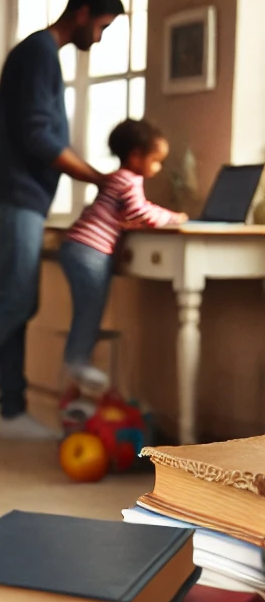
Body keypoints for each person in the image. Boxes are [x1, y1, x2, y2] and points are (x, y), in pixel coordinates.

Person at [0, 0, 125, 439]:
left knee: (18, 300)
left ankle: (10, 411)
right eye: (102, 26)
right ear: (82, 13)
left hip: (20, 193)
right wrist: (97, 177)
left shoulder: (40, 55)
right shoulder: (38, 54)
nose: (100, 38)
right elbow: (39, 136)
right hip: (14, 192)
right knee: (18, 299)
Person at [59, 119, 186, 395]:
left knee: (87, 309)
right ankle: (77, 361)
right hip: (89, 251)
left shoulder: (117, 180)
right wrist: (174, 218)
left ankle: (77, 361)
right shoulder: (128, 180)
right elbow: (139, 212)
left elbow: (128, 213)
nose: (158, 167)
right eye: (155, 160)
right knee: (90, 310)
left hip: (80, 248)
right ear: (136, 156)